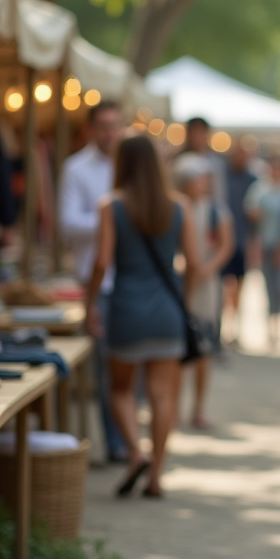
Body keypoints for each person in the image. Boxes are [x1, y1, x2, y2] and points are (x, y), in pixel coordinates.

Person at [86, 133, 201, 499]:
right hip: (167, 311)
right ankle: (156, 476)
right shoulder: (179, 206)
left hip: (125, 309)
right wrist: (184, 298)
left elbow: (102, 261)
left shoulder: (111, 206)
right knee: (162, 395)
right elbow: (196, 263)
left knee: (119, 387)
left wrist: (89, 302)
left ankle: (135, 451)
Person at [58, 100, 127, 463]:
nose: (109, 132)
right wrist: (108, 222)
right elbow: (67, 222)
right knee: (103, 365)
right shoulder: (75, 169)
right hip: (95, 281)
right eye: (103, 125)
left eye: (114, 125)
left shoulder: (129, 166)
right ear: (90, 129)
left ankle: (127, 437)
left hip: (131, 279)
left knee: (127, 364)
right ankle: (115, 442)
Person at [176, 154, 234, 428]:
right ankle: (173, 407)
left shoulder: (214, 210)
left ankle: (197, 409)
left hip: (205, 287)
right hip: (178, 285)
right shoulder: (176, 207)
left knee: (203, 348)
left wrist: (209, 268)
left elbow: (225, 244)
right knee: (176, 351)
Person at [246, 156, 280, 346]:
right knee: (269, 287)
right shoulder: (262, 190)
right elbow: (251, 212)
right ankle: (272, 329)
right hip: (266, 245)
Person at [221, 138, 258, 347]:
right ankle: (225, 328)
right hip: (222, 241)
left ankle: (234, 328)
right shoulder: (222, 177)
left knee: (239, 288)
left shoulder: (252, 179)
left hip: (242, 241)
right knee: (225, 288)